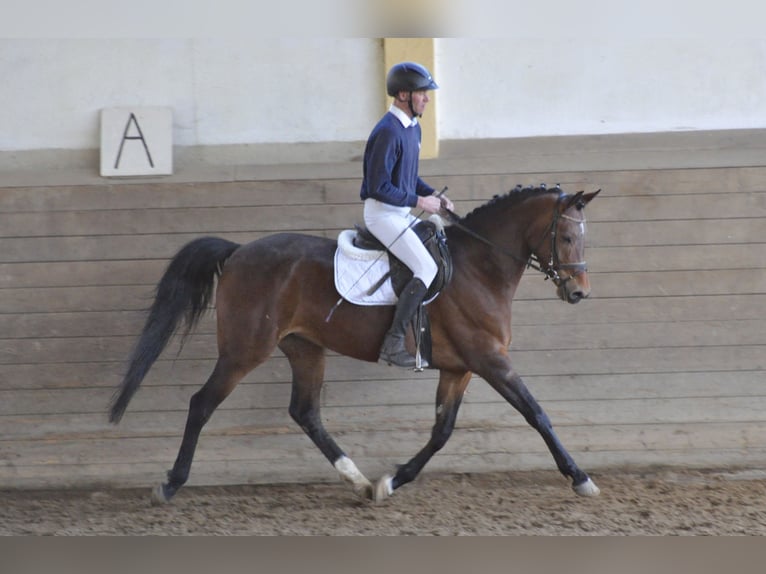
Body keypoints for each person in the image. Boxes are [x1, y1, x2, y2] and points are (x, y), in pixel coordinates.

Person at [359, 61, 454, 368]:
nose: (426, 99)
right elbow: (378, 186)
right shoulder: (388, 131)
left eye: (426, 94)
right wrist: (418, 202)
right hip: (382, 215)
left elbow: (409, 177)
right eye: (421, 94)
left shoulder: (413, 128)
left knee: (438, 247)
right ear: (403, 94)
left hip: (400, 212)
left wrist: (433, 196)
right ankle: (393, 341)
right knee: (425, 268)